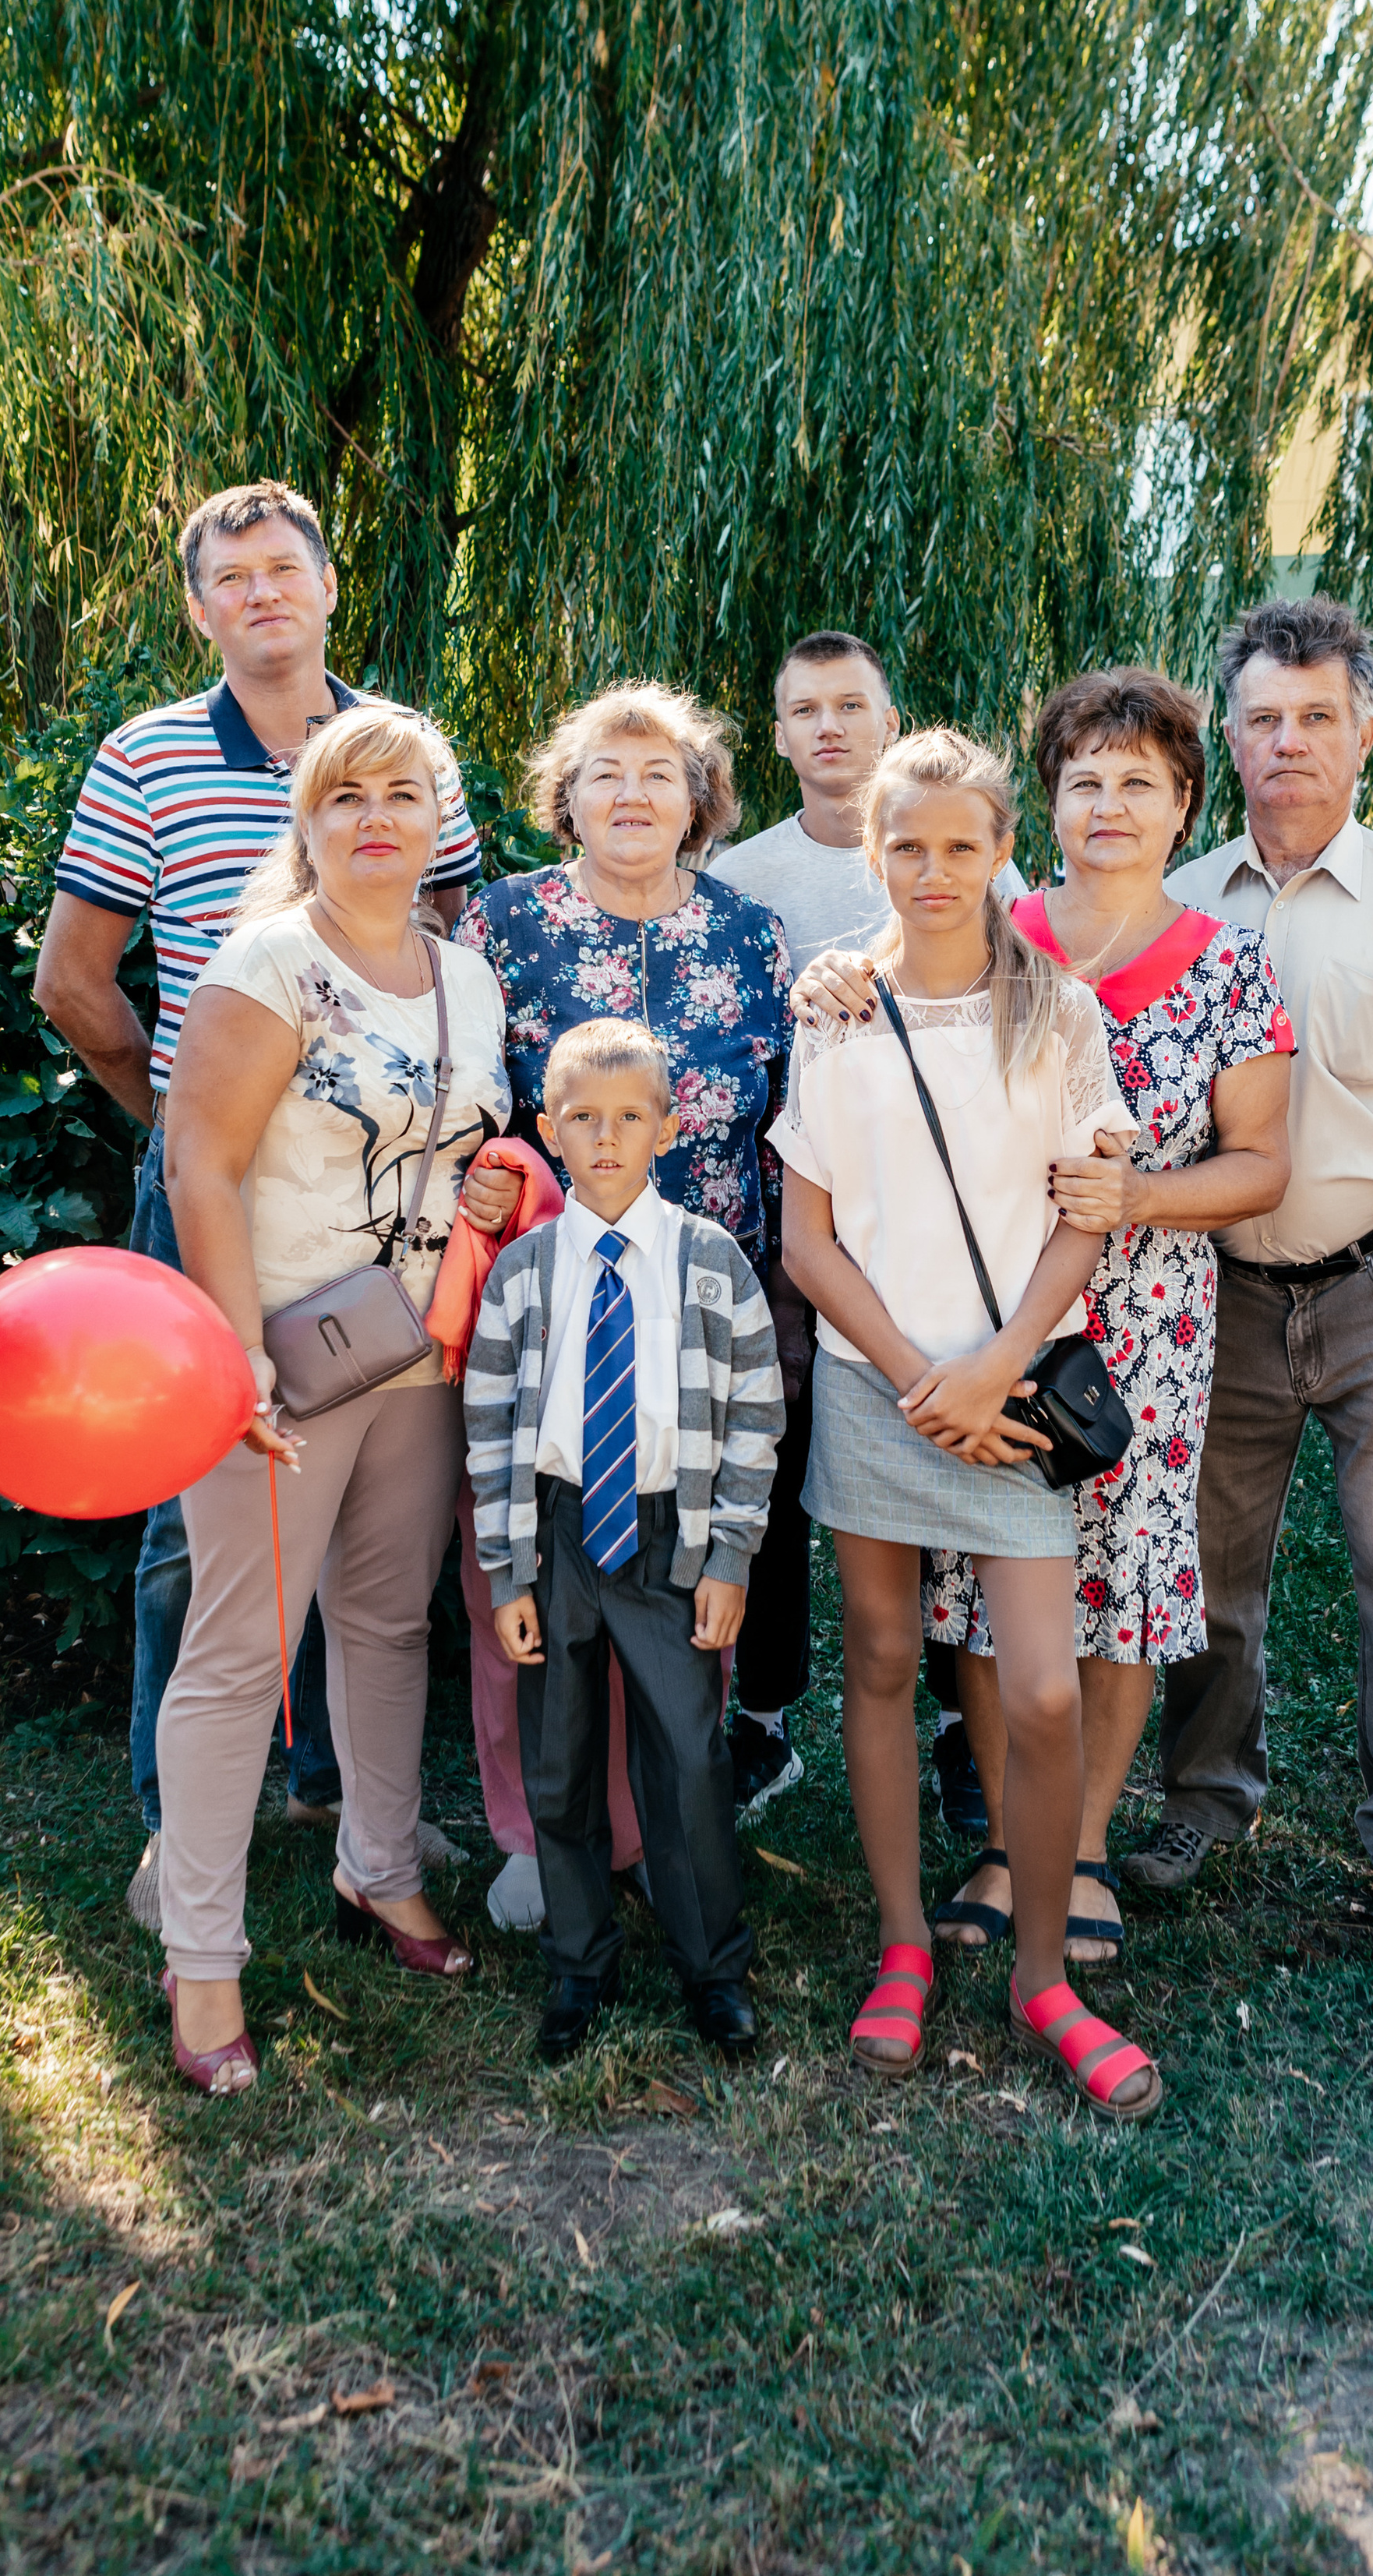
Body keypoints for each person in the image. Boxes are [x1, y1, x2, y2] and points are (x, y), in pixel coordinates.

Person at [35, 480, 483, 1923]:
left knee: (375, 1554)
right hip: (217, 1193)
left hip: (388, 1222)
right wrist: (190, 1130)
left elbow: (448, 946)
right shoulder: (149, 756)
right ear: (199, 607)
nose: (262, 594)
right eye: (232, 578)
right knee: (205, 1524)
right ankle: (184, 1835)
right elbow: (76, 983)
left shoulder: (408, 749)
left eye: (285, 569)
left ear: (330, 586)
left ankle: (346, 1813)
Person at [863, 672, 1294, 1964]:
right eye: (1085, 781)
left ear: (1181, 811)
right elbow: (876, 989)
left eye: (1140, 785)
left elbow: (1262, 1164)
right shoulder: (985, 931)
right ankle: (1008, 1837)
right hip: (984, 1310)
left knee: (1121, 1582)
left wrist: (1143, 1192)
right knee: (990, 1583)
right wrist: (840, 986)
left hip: (1147, 1324)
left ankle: (1087, 1845)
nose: (1109, 805)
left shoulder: (1231, 965)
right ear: (1044, 806)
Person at [772, 727, 1160, 2118]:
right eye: (906, 844)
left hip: (1012, 1391)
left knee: (1043, 1691)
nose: (933, 871)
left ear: (1006, 851)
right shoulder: (831, 1009)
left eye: (961, 844)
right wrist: (911, 1376)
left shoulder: (1060, 1013)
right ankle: (898, 1945)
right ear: (871, 850)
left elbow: (1083, 1214)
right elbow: (809, 1240)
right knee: (880, 1658)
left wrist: (996, 1365)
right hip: (879, 1389)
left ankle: (1043, 1974)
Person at [1125, 595, 1373, 1939]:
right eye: (1262, 720)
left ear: (1364, 735)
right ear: (1226, 742)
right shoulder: (1170, 903)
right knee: (1207, 1569)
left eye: (1316, 718)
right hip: (1218, 1298)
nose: (1288, 742)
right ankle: (1204, 1795)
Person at [154, 708, 509, 2090]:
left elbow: (468, 1138)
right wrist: (233, 1351)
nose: (377, 818)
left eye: (404, 796)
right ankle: (202, 1960)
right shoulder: (269, 964)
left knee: (381, 1623)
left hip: (418, 1352)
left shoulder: (464, 977)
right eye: (346, 795)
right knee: (242, 1651)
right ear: (306, 822)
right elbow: (199, 1164)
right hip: (280, 1366)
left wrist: (487, 1185)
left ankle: (378, 1867)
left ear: (439, 823)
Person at [453, 684, 795, 1925]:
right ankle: (532, 1835)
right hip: (549, 1308)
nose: (633, 795)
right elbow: (471, 1107)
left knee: (680, 1567)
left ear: (700, 800)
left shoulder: (752, 936)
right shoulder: (503, 925)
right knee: (536, 1568)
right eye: (605, 773)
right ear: (567, 797)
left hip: (701, 1311)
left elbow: (784, 1116)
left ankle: (658, 1825)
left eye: (660, 774)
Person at [715, 627, 1025, 1840]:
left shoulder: (953, 848)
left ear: (889, 724)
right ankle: (772, 1710)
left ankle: (959, 1720)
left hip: (942, 1217)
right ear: (781, 733)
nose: (830, 727)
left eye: (853, 706)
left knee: (955, 1454)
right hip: (800, 1203)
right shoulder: (745, 874)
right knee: (787, 1458)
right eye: (806, 710)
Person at [465, 1018, 784, 2064]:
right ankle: (577, 1966)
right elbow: (493, 1427)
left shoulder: (710, 1260)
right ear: (550, 1130)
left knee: (688, 1761)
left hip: (667, 1537)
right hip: (559, 1536)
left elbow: (753, 1417)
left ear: (669, 1126)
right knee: (558, 1766)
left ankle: (715, 1972)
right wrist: (508, 1571)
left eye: (630, 1118)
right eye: (584, 1120)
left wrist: (730, 1558)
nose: (607, 1138)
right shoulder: (520, 1272)